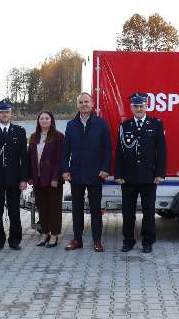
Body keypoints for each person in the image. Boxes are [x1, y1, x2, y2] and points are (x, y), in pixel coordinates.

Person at [114, 93, 167, 254]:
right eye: (135, 106)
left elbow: (162, 151)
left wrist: (160, 174)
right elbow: (119, 152)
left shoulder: (156, 124)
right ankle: (128, 241)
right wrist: (118, 175)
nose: (138, 109)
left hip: (149, 177)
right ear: (131, 108)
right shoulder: (125, 126)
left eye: (141, 106)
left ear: (146, 106)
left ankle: (148, 241)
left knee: (148, 212)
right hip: (128, 178)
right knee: (128, 213)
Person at [61, 92, 112, 252]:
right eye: (81, 102)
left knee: (95, 210)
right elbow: (65, 150)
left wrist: (105, 169)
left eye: (86, 101)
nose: (84, 104)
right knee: (77, 209)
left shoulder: (101, 124)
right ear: (78, 105)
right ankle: (77, 239)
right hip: (76, 174)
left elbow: (108, 149)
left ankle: (97, 241)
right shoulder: (71, 125)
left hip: (96, 174)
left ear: (92, 103)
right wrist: (65, 170)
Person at [0, 98, 29, 251]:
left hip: (14, 180)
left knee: (15, 211)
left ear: (11, 114)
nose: (4, 114)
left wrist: (23, 179)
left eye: (7, 112)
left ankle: (15, 240)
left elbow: (24, 157)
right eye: (1, 112)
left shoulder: (19, 131)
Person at [27, 110, 64, 248]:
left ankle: (54, 235)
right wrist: (30, 176)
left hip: (53, 180)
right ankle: (45, 233)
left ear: (51, 120)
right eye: (41, 118)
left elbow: (59, 159)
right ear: (38, 121)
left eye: (46, 118)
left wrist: (56, 177)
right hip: (38, 179)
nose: (43, 120)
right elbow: (29, 157)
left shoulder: (58, 136)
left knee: (54, 208)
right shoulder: (33, 137)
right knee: (42, 208)